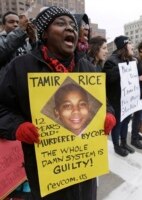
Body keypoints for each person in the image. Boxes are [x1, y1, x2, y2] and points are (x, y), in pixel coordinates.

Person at [0, 6, 116, 200]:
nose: (70, 28)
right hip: (46, 169)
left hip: (85, 165)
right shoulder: (20, 67)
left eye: (73, 25)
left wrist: (109, 114)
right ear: (45, 33)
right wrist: (17, 127)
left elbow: (104, 101)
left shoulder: (87, 67)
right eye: (60, 23)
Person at [103, 35, 136, 157]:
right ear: (124, 46)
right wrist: (122, 69)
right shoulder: (111, 60)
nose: (132, 46)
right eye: (130, 43)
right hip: (116, 99)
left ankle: (124, 142)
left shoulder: (131, 59)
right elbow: (109, 78)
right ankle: (116, 146)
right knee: (118, 123)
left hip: (128, 98)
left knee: (127, 121)